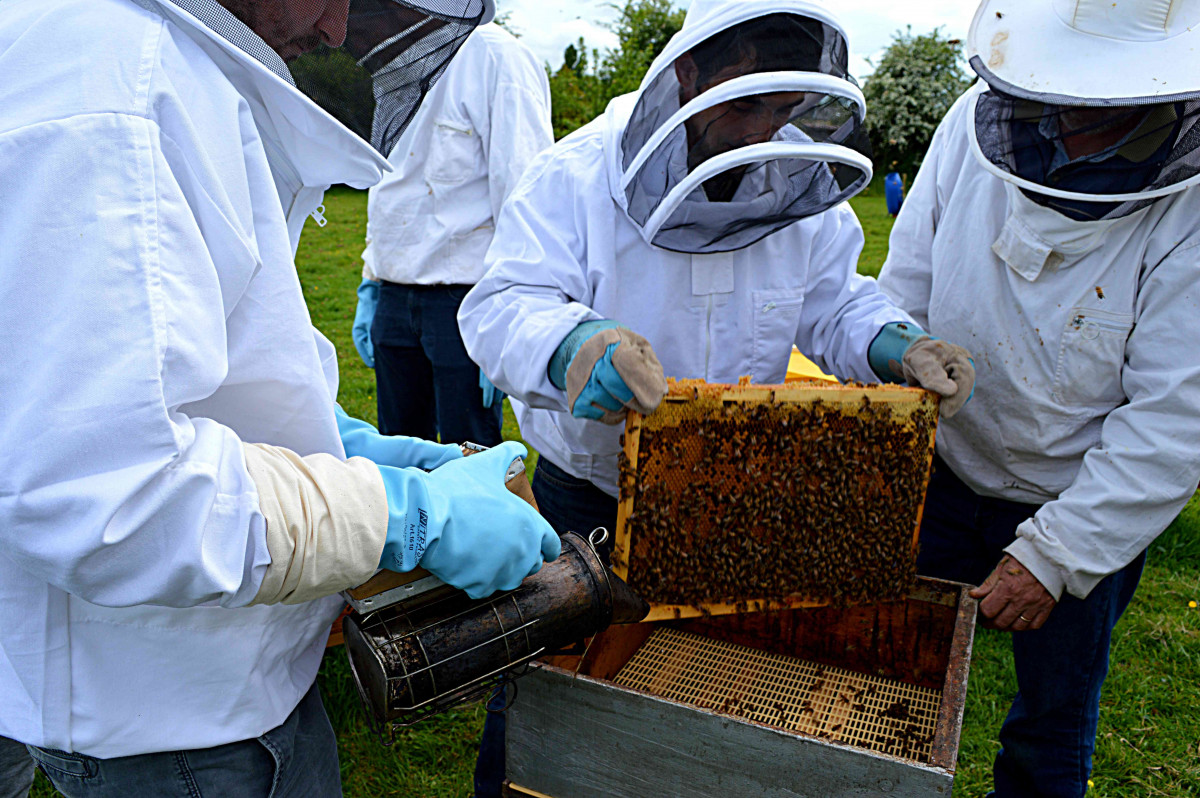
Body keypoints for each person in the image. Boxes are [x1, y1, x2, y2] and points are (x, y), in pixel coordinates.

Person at [0, 1, 558, 796]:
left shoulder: (120, 61)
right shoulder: (118, 87)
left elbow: (135, 380)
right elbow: (112, 495)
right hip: (176, 711)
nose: (337, 29)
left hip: (174, 678)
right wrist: (403, 516)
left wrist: (343, 442)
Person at [458, 1, 976, 793]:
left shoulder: (797, 178)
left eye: (781, 110)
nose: (757, 133)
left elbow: (835, 302)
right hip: (584, 496)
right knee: (547, 692)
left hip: (727, 499)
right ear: (689, 75)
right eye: (742, 106)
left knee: (690, 701)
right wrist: (574, 346)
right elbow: (501, 305)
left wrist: (896, 344)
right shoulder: (577, 173)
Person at [876, 1, 1200, 795]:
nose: (1074, 114)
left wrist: (1057, 553)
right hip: (944, 468)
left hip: (1079, 489)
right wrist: (891, 369)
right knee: (887, 684)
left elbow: (1175, 414)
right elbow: (907, 276)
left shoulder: (1189, 203)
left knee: (1051, 723)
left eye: (1106, 98)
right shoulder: (969, 123)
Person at [351, 22, 553, 447]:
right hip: (392, 295)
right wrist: (371, 281)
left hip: (465, 303)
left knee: (471, 459)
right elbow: (388, 182)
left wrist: (508, 316)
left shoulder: (500, 59)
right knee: (401, 457)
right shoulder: (394, 56)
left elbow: (525, 196)